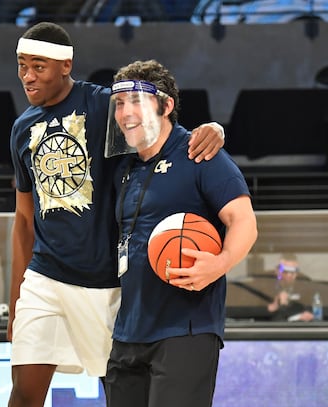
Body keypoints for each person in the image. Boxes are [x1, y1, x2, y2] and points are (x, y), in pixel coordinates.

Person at [8, 22, 226, 406]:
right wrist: (15, 299)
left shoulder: (103, 104)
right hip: (44, 277)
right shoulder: (22, 128)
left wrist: (214, 129)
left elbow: (157, 121)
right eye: (22, 65)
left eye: (38, 66)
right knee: (24, 393)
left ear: (65, 65)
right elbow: (24, 218)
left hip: (103, 281)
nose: (28, 76)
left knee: (121, 390)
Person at [104, 59, 258, 407]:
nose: (126, 112)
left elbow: (244, 222)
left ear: (166, 105)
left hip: (185, 328)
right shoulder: (124, 166)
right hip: (127, 330)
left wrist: (220, 264)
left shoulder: (201, 154)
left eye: (136, 101)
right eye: (120, 103)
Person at [267, 254, 314, 321]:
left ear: (297, 273)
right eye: (285, 271)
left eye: (293, 271)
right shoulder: (266, 289)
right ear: (277, 271)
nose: (289, 275)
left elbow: (312, 313)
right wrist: (279, 305)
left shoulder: (306, 290)